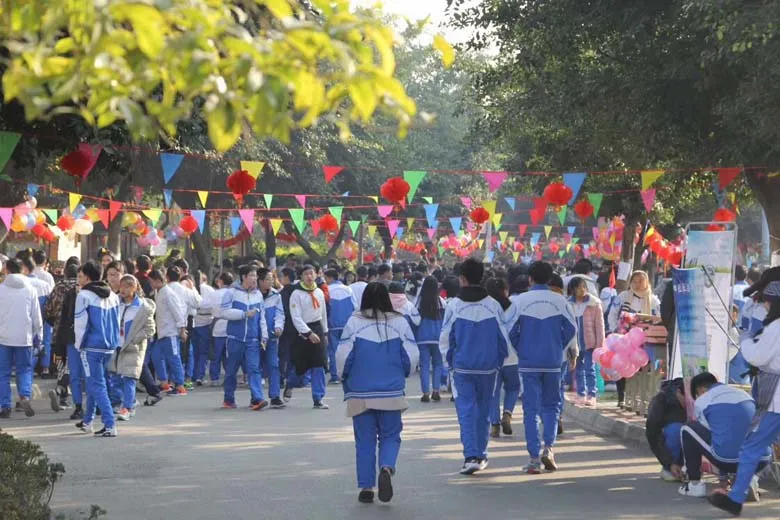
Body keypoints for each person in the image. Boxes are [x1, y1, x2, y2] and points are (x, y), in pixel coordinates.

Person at [710, 280, 780, 516]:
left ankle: (736, 497)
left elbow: (758, 357)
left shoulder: (776, 326)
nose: (765, 306)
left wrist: (746, 339)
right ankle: (736, 495)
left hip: (775, 397)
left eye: (766, 302)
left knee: (752, 446)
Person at [340, 282, 414, 504]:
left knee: (364, 440)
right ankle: (386, 467)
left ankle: (366, 487)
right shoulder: (400, 322)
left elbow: (343, 357)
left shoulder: (354, 322)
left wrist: (344, 377)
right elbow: (411, 356)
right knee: (390, 435)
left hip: (360, 392)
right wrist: (405, 373)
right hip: (391, 391)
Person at [439, 258, 509, 475]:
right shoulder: (494, 305)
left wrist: (449, 364)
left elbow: (445, 339)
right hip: (488, 368)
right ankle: (481, 454)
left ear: (462, 279)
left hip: (462, 368)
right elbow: (504, 340)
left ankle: (471, 456)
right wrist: (498, 362)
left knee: (466, 411)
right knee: (484, 411)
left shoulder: (454, 306)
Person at [510, 261, 577, 474]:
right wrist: (557, 346)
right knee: (551, 406)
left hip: (528, 362)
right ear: (549, 279)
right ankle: (549, 448)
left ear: (530, 279)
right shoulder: (560, 301)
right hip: (553, 362)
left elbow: (509, 330)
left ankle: (533, 459)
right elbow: (572, 328)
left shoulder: (520, 301)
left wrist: (521, 348)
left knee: (530, 410)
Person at [678, 372, 766, 499]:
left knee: (687, 429)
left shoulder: (703, 401)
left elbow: (715, 437)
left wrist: (723, 477)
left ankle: (694, 485)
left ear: (699, 390)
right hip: (760, 459)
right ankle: (749, 480)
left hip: (727, 460)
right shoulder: (745, 395)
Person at [73, 261, 121, 437]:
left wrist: (79, 345)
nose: (78, 280)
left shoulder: (84, 295)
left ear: (87, 277)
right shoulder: (113, 295)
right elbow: (117, 322)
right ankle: (88, 421)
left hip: (91, 346)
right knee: (95, 383)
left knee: (96, 384)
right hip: (109, 346)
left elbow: (80, 324)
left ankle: (110, 424)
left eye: (80, 276)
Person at [218, 264, 268, 410]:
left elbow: (262, 317)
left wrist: (264, 336)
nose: (254, 279)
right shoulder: (231, 293)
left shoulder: (258, 295)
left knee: (254, 369)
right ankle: (229, 399)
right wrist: (243, 314)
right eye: (251, 276)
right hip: (235, 338)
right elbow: (224, 312)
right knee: (231, 371)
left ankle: (257, 399)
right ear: (243, 277)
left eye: (255, 276)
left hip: (252, 340)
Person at [608, 270, 660, 407]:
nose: (638, 284)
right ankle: (622, 396)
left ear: (647, 282)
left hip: (645, 340)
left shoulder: (653, 301)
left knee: (643, 369)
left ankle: (638, 397)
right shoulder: (623, 297)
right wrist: (615, 330)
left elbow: (658, 318)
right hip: (624, 339)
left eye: (641, 281)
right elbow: (612, 314)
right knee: (622, 367)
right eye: (635, 281)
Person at [0, 259, 43, 418]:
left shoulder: (1, 289)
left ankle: (5, 406)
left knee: (3, 373)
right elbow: (36, 316)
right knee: (24, 369)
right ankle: (24, 396)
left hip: (3, 337)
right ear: (23, 269)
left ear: (7, 270)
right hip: (24, 338)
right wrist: (39, 335)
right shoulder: (30, 290)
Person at [111, 275, 156, 421]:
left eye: (128, 286)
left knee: (129, 377)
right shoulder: (115, 302)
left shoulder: (143, 307)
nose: (123, 289)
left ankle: (127, 408)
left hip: (133, 348)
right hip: (117, 345)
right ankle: (122, 403)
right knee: (115, 377)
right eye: (122, 286)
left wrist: (135, 340)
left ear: (135, 288)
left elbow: (150, 329)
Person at [289, 264, 329, 409]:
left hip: (317, 327)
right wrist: (308, 333)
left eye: (312, 273)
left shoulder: (319, 292)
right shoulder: (296, 294)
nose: (309, 276)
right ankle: (290, 383)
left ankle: (318, 398)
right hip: (303, 330)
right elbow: (296, 317)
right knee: (302, 366)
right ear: (301, 276)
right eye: (306, 274)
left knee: (319, 364)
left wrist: (325, 332)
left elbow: (323, 313)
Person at [45, 258, 81, 415]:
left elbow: (48, 309)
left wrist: (53, 322)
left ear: (65, 273)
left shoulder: (58, 286)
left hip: (58, 332)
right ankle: (63, 390)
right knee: (72, 365)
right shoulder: (80, 288)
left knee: (60, 361)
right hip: (75, 333)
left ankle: (62, 392)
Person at [486, 277, 521, 438]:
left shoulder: (487, 308)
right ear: (506, 291)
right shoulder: (515, 307)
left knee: (493, 391)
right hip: (513, 355)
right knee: (513, 388)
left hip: (493, 356)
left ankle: (494, 424)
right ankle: (507, 413)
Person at [149, 267, 189, 396]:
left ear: (157, 281)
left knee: (174, 359)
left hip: (171, 332)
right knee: (155, 356)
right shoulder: (158, 292)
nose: (150, 284)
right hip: (161, 332)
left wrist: (182, 330)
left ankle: (180, 386)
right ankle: (164, 383)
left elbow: (178, 312)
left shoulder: (169, 293)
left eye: (151, 281)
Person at [568, 276, 605, 405]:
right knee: (578, 369)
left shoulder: (594, 303)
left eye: (584, 287)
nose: (582, 290)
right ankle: (581, 394)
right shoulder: (569, 304)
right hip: (575, 343)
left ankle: (592, 395)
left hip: (590, 342)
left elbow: (600, 325)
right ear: (573, 289)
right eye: (578, 288)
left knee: (590, 368)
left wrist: (600, 343)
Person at [645, 378, 687, 482]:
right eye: (687, 399)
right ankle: (670, 469)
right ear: (678, 392)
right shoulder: (660, 401)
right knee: (676, 430)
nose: (689, 403)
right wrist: (669, 463)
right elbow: (653, 435)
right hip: (668, 441)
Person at [258, 267, 285, 408]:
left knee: (274, 365)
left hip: (272, 337)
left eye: (272, 279)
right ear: (260, 281)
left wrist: (278, 327)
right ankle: (256, 397)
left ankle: (275, 396)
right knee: (255, 367)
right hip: (255, 337)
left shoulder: (276, 296)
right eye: (268, 279)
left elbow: (280, 313)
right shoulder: (253, 295)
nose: (271, 282)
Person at [415, 276, 446, 403]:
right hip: (437, 337)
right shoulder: (441, 301)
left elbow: (415, 319)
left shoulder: (419, 301)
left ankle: (425, 393)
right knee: (438, 364)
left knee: (424, 365)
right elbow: (445, 320)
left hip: (422, 337)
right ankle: (436, 391)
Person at [325, 268, 354, 384]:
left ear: (330, 278)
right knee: (347, 349)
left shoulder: (327, 290)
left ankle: (335, 375)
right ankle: (347, 373)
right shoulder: (348, 289)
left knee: (333, 351)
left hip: (332, 325)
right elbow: (355, 307)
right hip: (347, 324)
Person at [204, 272, 233, 384]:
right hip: (231, 326)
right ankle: (230, 376)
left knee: (216, 354)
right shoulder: (234, 293)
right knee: (229, 355)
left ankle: (215, 378)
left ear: (221, 281)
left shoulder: (215, 294)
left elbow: (204, 305)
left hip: (218, 326)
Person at [192, 272, 215, 386]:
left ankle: (193, 375)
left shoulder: (191, 289)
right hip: (206, 323)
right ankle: (199, 376)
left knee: (194, 351)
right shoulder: (209, 290)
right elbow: (213, 304)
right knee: (203, 352)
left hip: (193, 322)